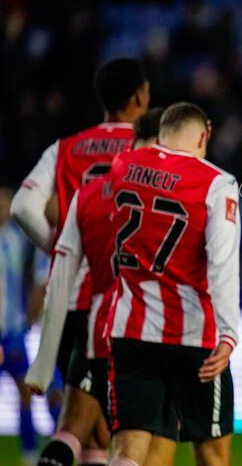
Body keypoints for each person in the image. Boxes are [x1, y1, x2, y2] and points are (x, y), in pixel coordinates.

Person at [11, 57, 149, 466]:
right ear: (141, 96)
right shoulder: (149, 149)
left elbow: (21, 207)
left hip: (71, 298)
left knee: (90, 428)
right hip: (127, 299)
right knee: (123, 429)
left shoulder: (66, 148)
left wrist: (62, 247)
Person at [26, 108, 177, 466]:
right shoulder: (176, 190)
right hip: (152, 327)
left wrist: (43, 366)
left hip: (97, 320)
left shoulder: (92, 192)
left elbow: (58, 274)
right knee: (142, 446)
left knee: (76, 429)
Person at [106, 103, 240, 466]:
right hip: (194, 336)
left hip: (130, 330)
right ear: (204, 134)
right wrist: (228, 334)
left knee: (127, 451)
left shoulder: (122, 166)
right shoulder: (217, 183)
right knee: (212, 455)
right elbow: (221, 264)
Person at [0, 186, 45, 466]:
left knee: (25, 392)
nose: (4, 207)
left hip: (13, 331)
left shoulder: (17, 238)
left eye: (6, 203)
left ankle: (29, 453)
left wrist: (27, 319)